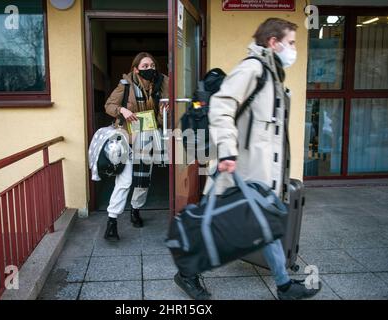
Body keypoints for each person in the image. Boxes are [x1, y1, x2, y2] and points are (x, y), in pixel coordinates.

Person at [173, 18, 322, 300]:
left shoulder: (274, 77)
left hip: (259, 174)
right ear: (273, 42)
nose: (293, 49)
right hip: (237, 168)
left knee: (268, 227)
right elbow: (221, 106)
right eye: (290, 43)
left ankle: (284, 285)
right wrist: (228, 150)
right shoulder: (253, 69)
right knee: (215, 226)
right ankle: (187, 273)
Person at [103, 52, 169, 241]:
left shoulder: (162, 84)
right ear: (136, 69)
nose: (149, 69)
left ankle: (135, 210)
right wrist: (122, 109)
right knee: (124, 181)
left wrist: (165, 112)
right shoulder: (126, 85)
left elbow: (164, 115)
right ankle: (112, 221)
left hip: (148, 137)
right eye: (145, 66)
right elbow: (109, 105)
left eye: (152, 66)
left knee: (143, 179)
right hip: (128, 138)